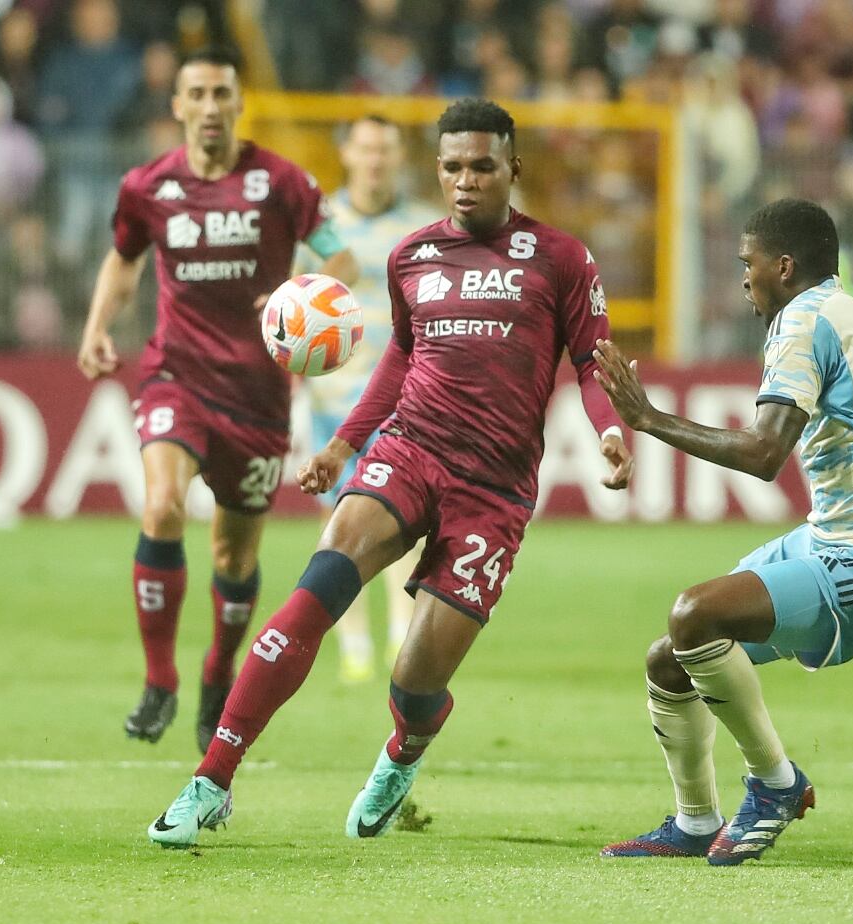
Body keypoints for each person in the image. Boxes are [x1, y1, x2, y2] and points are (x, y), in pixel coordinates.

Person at [146, 97, 634, 847]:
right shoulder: (412, 256)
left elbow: (590, 364)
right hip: (408, 452)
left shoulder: (560, 258)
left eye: (481, 166)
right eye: (451, 168)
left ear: (512, 168)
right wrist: (346, 445)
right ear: (436, 170)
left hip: (494, 492)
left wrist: (608, 431)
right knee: (313, 597)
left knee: (414, 682)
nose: (464, 181)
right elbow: (400, 358)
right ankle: (211, 779)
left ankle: (405, 747)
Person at [593, 198, 853, 865]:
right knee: (671, 658)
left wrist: (647, 418)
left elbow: (762, 454)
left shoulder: (802, 319)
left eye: (746, 265)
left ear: (783, 266)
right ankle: (696, 821)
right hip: (833, 535)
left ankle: (775, 785)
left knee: (694, 615)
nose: (742, 280)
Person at [76, 48, 358, 754]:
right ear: (177, 106)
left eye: (221, 94)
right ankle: (159, 680)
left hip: (259, 395)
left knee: (233, 556)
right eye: (196, 93)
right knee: (163, 505)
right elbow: (124, 258)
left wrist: (305, 295)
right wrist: (96, 327)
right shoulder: (147, 186)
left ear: (238, 104)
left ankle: (215, 673)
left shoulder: (279, 182)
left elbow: (340, 256)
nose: (209, 106)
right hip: (177, 376)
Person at [302, 114, 437, 683]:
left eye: (386, 149)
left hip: (402, 403)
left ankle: (401, 639)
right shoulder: (318, 229)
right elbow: (292, 310)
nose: (376, 160)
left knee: (397, 520)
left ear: (398, 157)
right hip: (332, 400)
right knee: (341, 523)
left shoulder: (423, 228)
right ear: (348, 154)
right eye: (366, 148)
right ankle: (354, 644)